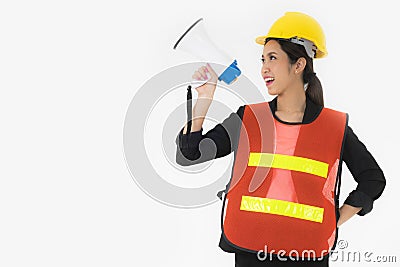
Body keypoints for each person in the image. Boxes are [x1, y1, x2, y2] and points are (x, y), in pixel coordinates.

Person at [175, 12, 386, 266]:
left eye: (273, 58)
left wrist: (334, 220)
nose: (264, 67)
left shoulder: (334, 127)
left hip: (306, 255)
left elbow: (373, 179)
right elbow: (191, 154)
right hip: (250, 250)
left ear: (299, 65)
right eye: (263, 59)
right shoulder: (249, 118)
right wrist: (204, 100)